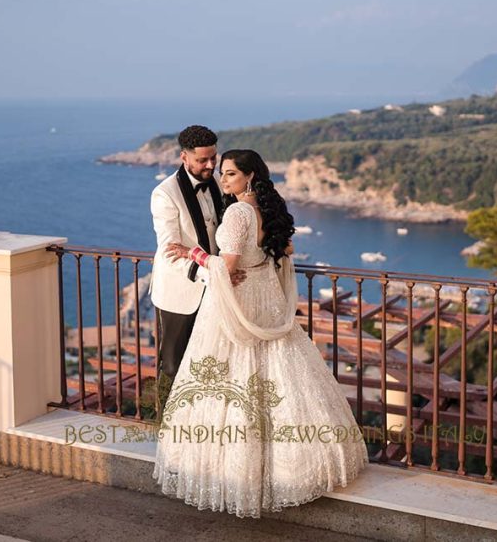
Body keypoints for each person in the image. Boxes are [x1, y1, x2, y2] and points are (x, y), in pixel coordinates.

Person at [152, 149, 367, 518]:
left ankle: (235, 469)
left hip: (238, 301)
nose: (223, 179)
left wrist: (194, 254)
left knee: (232, 375)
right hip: (266, 297)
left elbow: (228, 265)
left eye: (231, 174)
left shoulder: (237, 212)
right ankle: (288, 466)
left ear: (250, 176)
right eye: (223, 173)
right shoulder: (272, 208)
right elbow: (281, 252)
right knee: (282, 375)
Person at [149, 126, 245, 404]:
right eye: (203, 160)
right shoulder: (164, 194)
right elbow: (170, 251)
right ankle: (164, 430)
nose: (211, 165)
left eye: (213, 158)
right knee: (172, 365)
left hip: (217, 289)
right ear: (184, 157)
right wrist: (212, 275)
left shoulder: (216, 181)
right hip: (181, 293)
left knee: (210, 360)